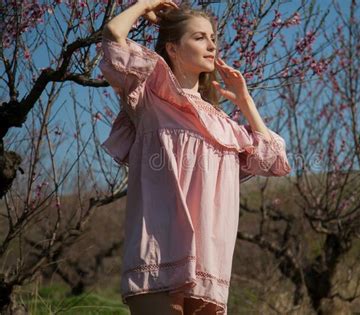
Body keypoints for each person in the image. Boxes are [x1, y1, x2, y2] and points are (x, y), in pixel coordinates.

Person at [99, 0, 292, 314]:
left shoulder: (222, 123)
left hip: (209, 266)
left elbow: (273, 159)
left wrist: (244, 101)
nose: (211, 44)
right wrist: (145, 3)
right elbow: (113, 37)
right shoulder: (151, 96)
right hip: (158, 257)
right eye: (200, 37)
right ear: (173, 49)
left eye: (213, 37)